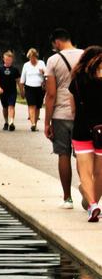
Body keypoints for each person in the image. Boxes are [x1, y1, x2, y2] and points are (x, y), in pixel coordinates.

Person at [44, 28, 84, 209]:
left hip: (60, 115)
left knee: (63, 154)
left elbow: (51, 94)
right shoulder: (85, 56)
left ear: (57, 42)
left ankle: (67, 198)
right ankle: (88, 193)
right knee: (83, 155)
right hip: (82, 114)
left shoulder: (53, 60)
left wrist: (46, 122)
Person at [68, 46, 102, 223]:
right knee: (100, 172)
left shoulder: (77, 80)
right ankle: (94, 203)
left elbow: (73, 108)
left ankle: (93, 205)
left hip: (81, 129)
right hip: (101, 130)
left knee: (85, 172)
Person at [20, 48, 46, 131]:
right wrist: (22, 91)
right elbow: (22, 79)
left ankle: (35, 123)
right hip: (29, 87)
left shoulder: (41, 63)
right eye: (31, 57)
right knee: (31, 105)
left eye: (34, 57)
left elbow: (47, 75)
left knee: (38, 106)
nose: (32, 59)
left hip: (40, 88)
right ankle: (33, 124)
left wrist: (43, 73)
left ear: (36, 56)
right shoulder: (26, 65)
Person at [0, 51, 21, 131]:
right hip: (3, 91)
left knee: (11, 106)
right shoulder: (0, 69)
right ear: (3, 59)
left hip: (12, 91)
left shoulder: (15, 70)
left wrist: (21, 90)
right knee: (5, 107)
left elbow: (18, 81)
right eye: (6, 59)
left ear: (12, 60)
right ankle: (6, 122)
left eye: (9, 59)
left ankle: (11, 122)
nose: (8, 61)